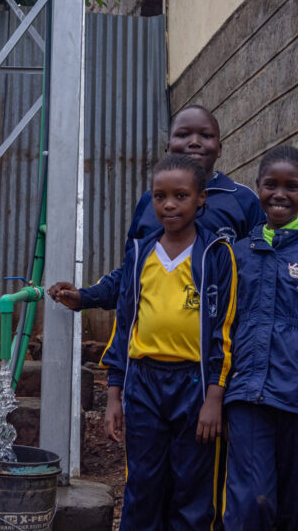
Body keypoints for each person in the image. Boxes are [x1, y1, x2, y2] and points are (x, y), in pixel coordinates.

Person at [51, 153, 238, 529]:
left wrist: (215, 397)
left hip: (195, 386)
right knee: (143, 483)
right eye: (160, 196)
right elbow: (125, 327)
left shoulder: (217, 255)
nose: (169, 204)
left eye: (181, 196)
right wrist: (114, 396)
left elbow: (225, 331)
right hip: (144, 384)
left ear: (201, 198)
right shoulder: (141, 254)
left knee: (192, 487)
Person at [221, 145, 298, 531]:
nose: (280, 194)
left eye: (291, 186)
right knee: (251, 504)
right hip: (246, 395)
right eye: (270, 185)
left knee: (294, 509)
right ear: (257, 187)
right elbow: (221, 327)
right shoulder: (239, 252)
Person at [49, 104, 264, 312]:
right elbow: (132, 272)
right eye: (183, 135)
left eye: (206, 136)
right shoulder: (150, 202)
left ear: (220, 149)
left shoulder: (242, 200)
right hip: (155, 339)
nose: (195, 142)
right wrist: (86, 297)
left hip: (220, 339)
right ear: (168, 147)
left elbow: (263, 272)